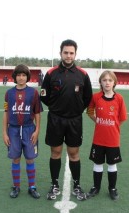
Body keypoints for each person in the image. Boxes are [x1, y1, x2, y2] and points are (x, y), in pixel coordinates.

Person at [40, 39, 93, 201]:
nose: (68, 56)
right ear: (60, 53)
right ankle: (54, 184)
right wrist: (56, 107)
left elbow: (88, 97)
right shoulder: (51, 74)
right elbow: (43, 95)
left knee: (74, 153)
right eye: (65, 52)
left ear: (75, 54)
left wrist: (76, 109)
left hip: (74, 121)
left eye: (71, 53)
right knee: (55, 152)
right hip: (55, 119)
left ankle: (76, 185)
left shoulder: (83, 75)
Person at [2, 64, 43, 199]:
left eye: (24, 75)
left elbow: (37, 113)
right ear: (15, 77)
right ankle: (16, 186)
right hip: (13, 130)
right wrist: (4, 132)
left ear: (27, 77)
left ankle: (32, 187)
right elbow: (6, 113)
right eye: (18, 75)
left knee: (30, 159)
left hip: (28, 129)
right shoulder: (9, 93)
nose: (21, 77)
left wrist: (37, 130)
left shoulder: (34, 93)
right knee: (16, 158)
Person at [86, 70, 128, 200]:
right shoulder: (96, 97)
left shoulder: (119, 98)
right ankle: (96, 187)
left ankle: (112, 188)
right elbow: (89, 111)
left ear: (114, 82)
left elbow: (122, 118)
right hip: (98, 139)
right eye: (104, 80)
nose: (107, 82)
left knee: (112, 164)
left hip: (113, 139)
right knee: (97, 163)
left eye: (110, 80)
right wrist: (97, 120)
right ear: (100, 82)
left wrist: (113, 126)